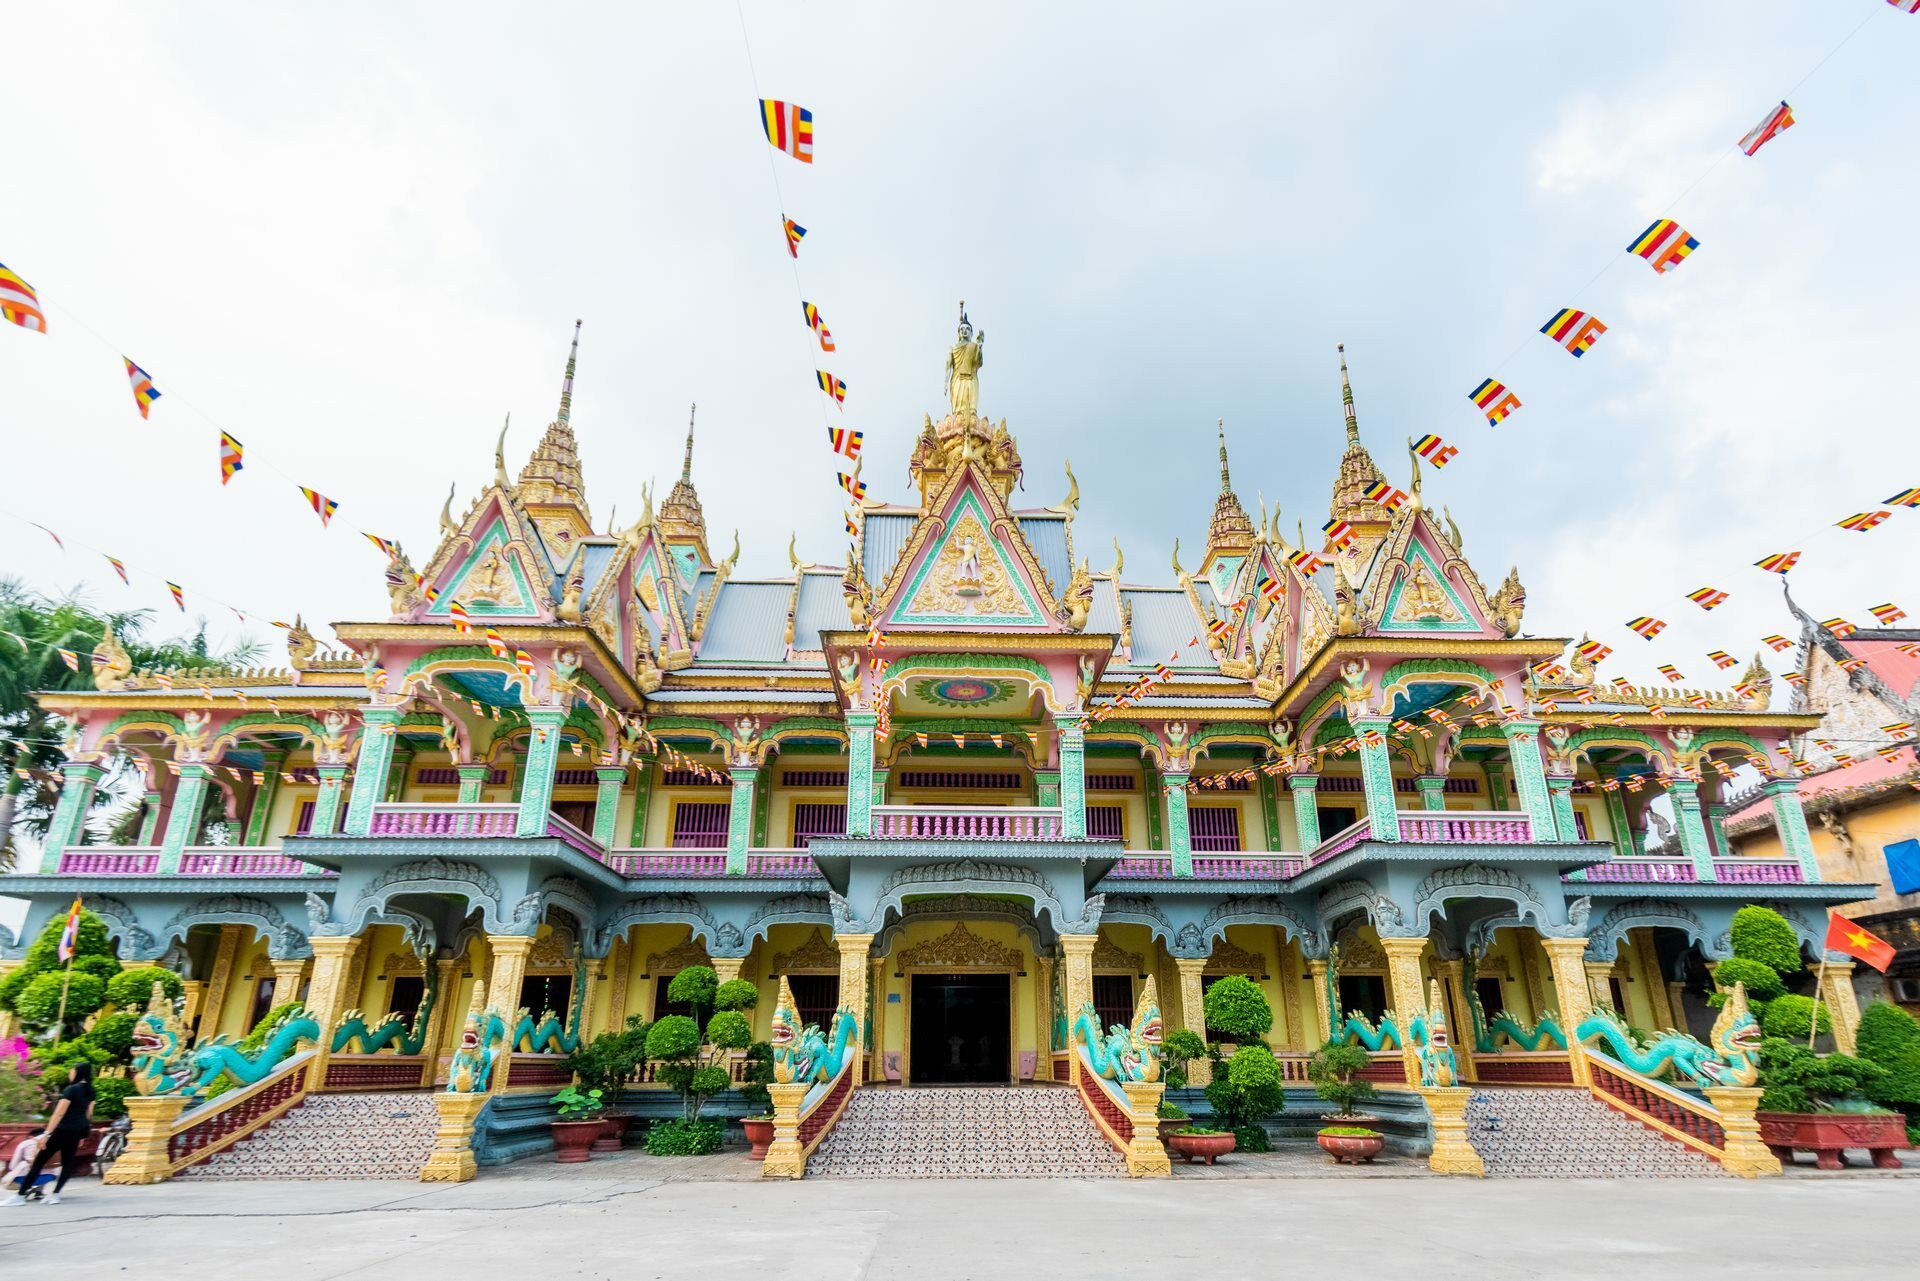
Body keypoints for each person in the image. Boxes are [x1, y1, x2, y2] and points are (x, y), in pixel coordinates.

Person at [5, 1061, 94, 1206]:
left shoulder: (70, 1090)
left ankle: (20, 1196)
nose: (70, 1073)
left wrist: (46, 1135)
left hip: (62, 1130)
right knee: (67, 1163)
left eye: (72, 1070)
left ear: (78, 1072)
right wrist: (83, 1134)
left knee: (39, 1161)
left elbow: (58, 1114)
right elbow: (88, 1113)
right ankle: (55, 1194)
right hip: (77, 1131)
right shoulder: (90, 1090)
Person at [6, 1131, 58, 1202]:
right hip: (50, 1176)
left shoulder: (26, 1143)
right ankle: (39, 1191)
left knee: (23, 1167)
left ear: (31, 1136)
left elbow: (14, 1163)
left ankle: (26, 1188)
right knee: (44, 1166)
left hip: (23, 1178)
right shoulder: (55, 1142)